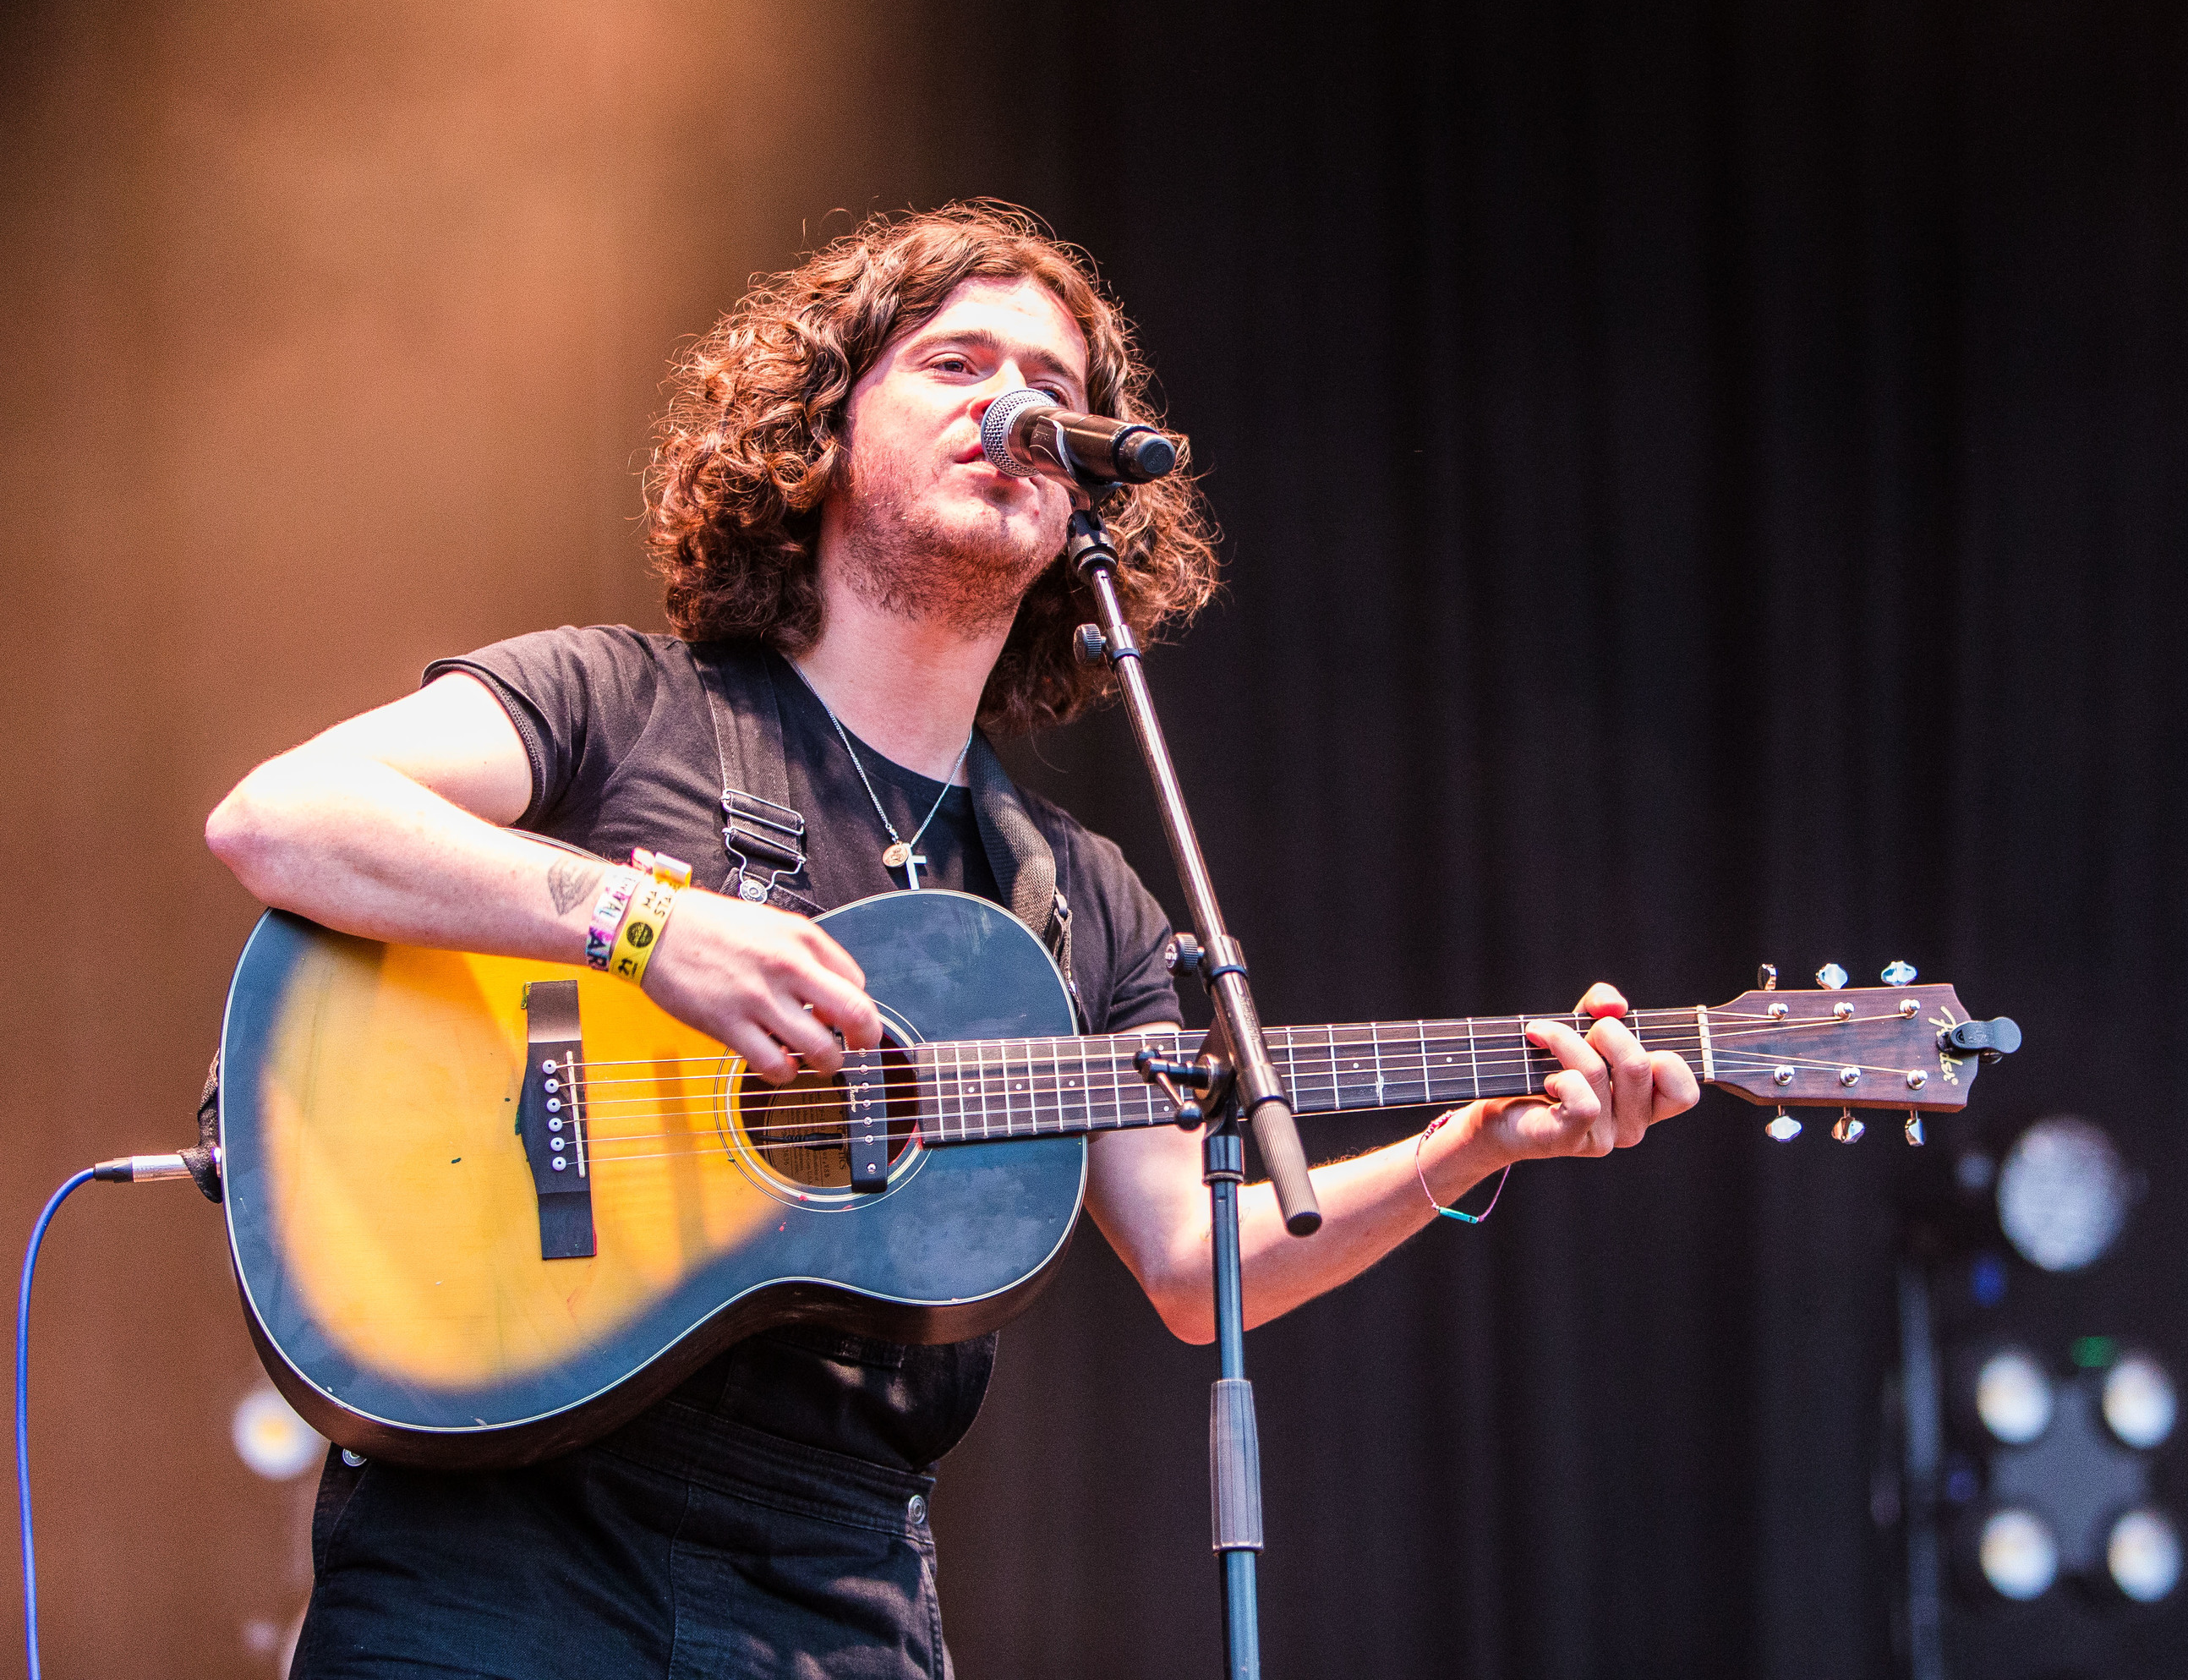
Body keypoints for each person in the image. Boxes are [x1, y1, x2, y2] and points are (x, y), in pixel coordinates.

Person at [205, 200, 1700, 1679]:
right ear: (824, 428)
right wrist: (636, 921)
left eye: (1058, 392)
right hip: (495, 1553)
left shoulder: (1079, 894)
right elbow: (283, 816)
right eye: (958, 366)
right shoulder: (621, 702)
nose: (1018, 408)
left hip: (835, 1585)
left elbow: (1196, 1264)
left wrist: (1478, 1142)